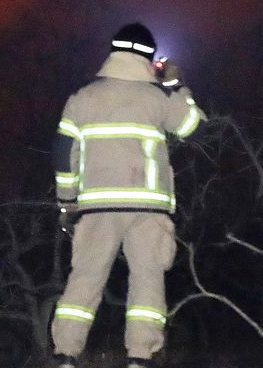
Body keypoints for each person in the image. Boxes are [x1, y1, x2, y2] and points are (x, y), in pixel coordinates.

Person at [50, 23, 205, 368]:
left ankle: (65, 355)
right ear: (150, 57)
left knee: (85, 277)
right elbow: (193, 126)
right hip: (148, 207)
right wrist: (175, 83)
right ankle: (140, 359)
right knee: (148, 279)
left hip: (96, 206)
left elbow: (63, 152)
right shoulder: (158, 96)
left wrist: (67, 202)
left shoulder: (82, 97)